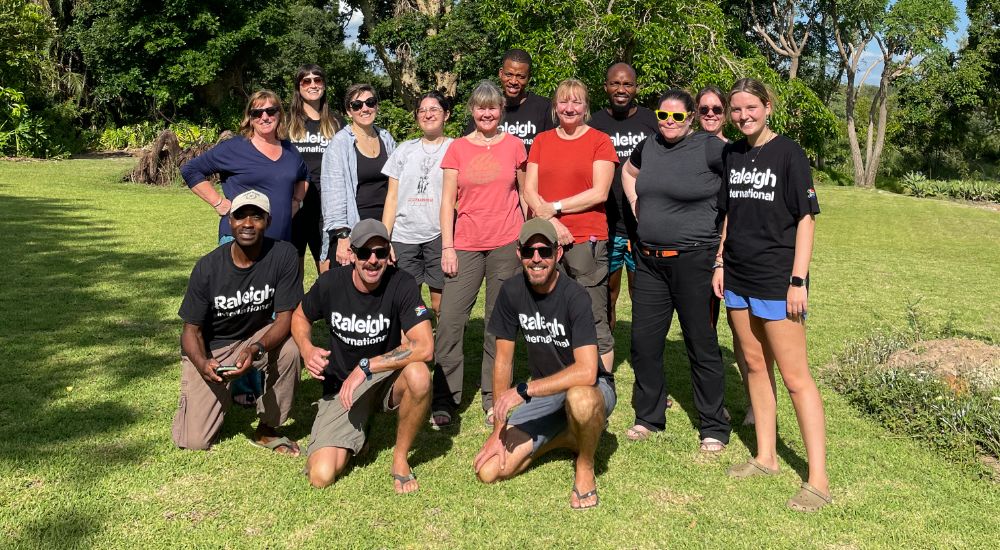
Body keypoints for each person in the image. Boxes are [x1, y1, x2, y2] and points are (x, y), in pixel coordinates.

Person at [713, 78, 830, 512]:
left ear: (768, 107)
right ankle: (765, 457)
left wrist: (798, 280)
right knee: (755, 367)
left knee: (796, 379)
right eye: (736, 110)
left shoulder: (789, 153)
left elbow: (806, 219)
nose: (743, 116)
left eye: (751, 108)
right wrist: (721, 262)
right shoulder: (732, 153)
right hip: (738, 277)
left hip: (778, 279)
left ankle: (817, 480)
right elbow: (729, 214)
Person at [473, 218, 616, 510]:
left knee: (580, 398)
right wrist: (498, 432)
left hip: (590, 387)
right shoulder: (512, 292)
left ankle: (585, 466)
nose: (536, 259)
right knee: (489, 471)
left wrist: (524, 390)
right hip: (547, 395)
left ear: (557, 254)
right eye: (529, 252)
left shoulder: (575, 296)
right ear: (519, 254)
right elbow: (503, 362)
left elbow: (587, 371)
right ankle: (566, 437)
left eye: (544, 251)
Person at [621, 89, 732, 452]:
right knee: (644, 343)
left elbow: (736, 190)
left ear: (691, 119)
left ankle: (713, 425)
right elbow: (628, 170)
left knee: (701, 343)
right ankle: (648, 416)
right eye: (663, 115)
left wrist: (721, 251)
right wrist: (636, 201)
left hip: (694, 261)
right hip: (649, 261)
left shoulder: (710, 148)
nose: (669, 122)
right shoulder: (648, 145)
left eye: (678, 117)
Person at [291, 219, 434, 493]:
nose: (373, 260)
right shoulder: (331, 282)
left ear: (388, 254)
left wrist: (368, 366)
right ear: (352, 255)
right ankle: (361, 430)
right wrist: (307, 348)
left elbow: (425, 346)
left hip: (384, 380)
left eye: (380, 252)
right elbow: (300, 315)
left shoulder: (402, 283)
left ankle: (400, 459)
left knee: (419, 375)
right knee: (320, 475)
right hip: (342, 387)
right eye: (365, 253)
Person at [171, 190, 303, 454]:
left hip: (256, 337)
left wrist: (256, 349)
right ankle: (230, 391)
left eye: (256, 216)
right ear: (230, 221)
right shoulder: (207, 267)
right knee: (194, 442)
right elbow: (191, 331)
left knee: (291, 349)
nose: (248, 223)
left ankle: (267, 427)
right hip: (213, 348)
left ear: (268, 220)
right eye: (240, 216)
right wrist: (202, 363)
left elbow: (286, 317)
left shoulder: (284, 255)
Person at [432, 80, 527, 429]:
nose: (486, 113)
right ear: (472, 110)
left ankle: (494, 396)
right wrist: (448, 246)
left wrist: (529, 239)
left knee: (497, 323)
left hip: (506, 242)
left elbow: (525, 194)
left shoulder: (515, 146)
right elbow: (447, 202)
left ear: (501, 110)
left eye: (493, 107)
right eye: (480, 107)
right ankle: (445, 397)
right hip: (466, 244)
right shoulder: (457, 148)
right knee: (451, 321)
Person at [522, 78, 618, 373]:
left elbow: (599, 192)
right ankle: (558, 377)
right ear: (555, 107)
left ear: (586, 107)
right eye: (563, 101)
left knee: (592, 314)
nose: (569, 107)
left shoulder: (599, 141)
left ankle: (600, 387)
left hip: (586, 239)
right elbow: (529, 190)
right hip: (545, 239)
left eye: (576, 101)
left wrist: (557, 207)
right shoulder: (542, 141)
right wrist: (552, 222)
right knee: (550, 311)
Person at [696, 85, 762, 426]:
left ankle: (755, 402)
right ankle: (712, 403)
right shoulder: (688, 146)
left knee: (744, 333)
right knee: (705, 329)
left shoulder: (735, 151)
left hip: (730, 249)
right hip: (698, 249)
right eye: (703, 109)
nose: (710, 114)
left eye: (716, 109)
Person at [182, 90, 308, 244]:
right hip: (239, 240)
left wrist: (297, 201)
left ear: (279, 114)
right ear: (250, 118)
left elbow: (304, 175)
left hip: (279, 242)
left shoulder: (290, 150)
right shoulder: (233, 148)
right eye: (257, 113)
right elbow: (190, 170)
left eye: (270, 111)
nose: (265, 117)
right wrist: (219, 203)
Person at [588, 63, 659, 334]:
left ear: (636, 88)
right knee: (608, 295)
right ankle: (607, 353)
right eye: (615, 83)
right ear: (605, 87)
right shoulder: (593, 123)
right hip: (607, 224)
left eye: (627, 84)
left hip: (643, 224)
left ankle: (643, 351)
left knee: (643, 294)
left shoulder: (651, 121)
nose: (621, 89)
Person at [381, 91, 453, 318]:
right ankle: (409, 346)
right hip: (404, 236)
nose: (428, 114)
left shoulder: (456, 148)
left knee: (441, 301)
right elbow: (391, 197)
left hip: (438, 234)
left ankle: (443, 349)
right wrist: (386, 237)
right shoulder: (404, 150)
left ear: (447, 115)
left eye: (434, 110)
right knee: (407, 301)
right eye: (422, 110)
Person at [321, 83, 397, 268]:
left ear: (376, 106)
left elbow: (396, 187)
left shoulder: (386, 138)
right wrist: (343, 237)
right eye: (357, 105)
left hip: (385, 226)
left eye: (370, 102)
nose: (365, 108)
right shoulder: (340, 143)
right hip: (354, 227)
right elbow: (333, 194)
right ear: (349, 111)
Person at [287, 64, 344, 275]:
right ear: (299, 87)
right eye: (306, 81)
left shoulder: (338, 122)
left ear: (324, 85)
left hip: (328, 207)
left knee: (328, 270)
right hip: (294, 205)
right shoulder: (286, 123)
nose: (313, 85)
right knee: (292, 270)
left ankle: (327, 309)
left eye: (317, 80)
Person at [465, 49, 553, 151]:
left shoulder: (545, 107)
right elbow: (469, 146)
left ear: (529, 77)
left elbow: (552, 149)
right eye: (509, 74)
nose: (513, 81)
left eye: (521, 76)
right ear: (501, 73)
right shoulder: (486, 107)